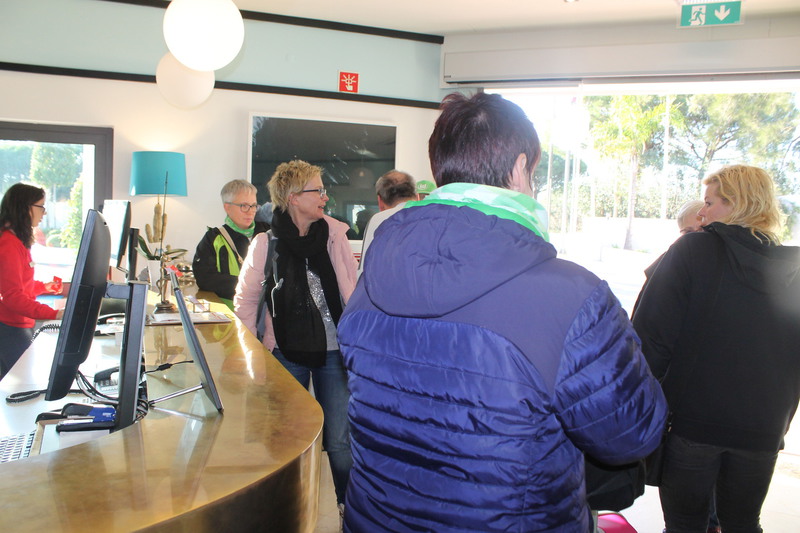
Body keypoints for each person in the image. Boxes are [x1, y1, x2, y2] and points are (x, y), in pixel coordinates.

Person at [337, 92, 668, 532]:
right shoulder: (572, 297)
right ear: (519, 167)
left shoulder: (374, 278)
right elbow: (631, 435)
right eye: (534, 174)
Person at [633, 165, 800, 533]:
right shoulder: (794, 268)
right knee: (743, 522)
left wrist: (640, 409)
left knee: (685, 524)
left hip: (693, 427)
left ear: (737, 203)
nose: (702, 214)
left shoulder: (693, 250)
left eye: (709, 203)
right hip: (762, 431)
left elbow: (651, 337)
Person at [234, 160, 357, 517]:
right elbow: (246, 301)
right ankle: (287, 509)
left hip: (334, 351)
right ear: (293, 197)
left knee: (340, 440)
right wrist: (251, 352)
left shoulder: (334, 235)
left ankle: (347, 508)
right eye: (318, 190)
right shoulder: (265, 243)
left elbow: (351, 291)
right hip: (285, 351)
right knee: (286, 436)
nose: (325, 197)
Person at [0, 184, 65, 379]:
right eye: (41, 207)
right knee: (25, 385)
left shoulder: (16, 241)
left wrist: (43, 287)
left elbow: (19, 284)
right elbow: (13, 297)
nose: (44, 213)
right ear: (25, 208)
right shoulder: (8, 244)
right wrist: (55, 314)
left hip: (17, 325)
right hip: (10, 327)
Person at [192, 180, 268, 309]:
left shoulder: (268, 233)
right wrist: (252, 286)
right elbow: (205, 279)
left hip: (265, 312)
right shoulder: (213, 238)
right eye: (244, 206)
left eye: (254, 205)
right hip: (229, 313)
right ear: (227, 207)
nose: (250, 211)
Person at [357, 170, 419, 277]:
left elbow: (365, 270)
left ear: (380, 201)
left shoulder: (378, 220)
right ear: (417, 197)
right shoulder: (432, 217)